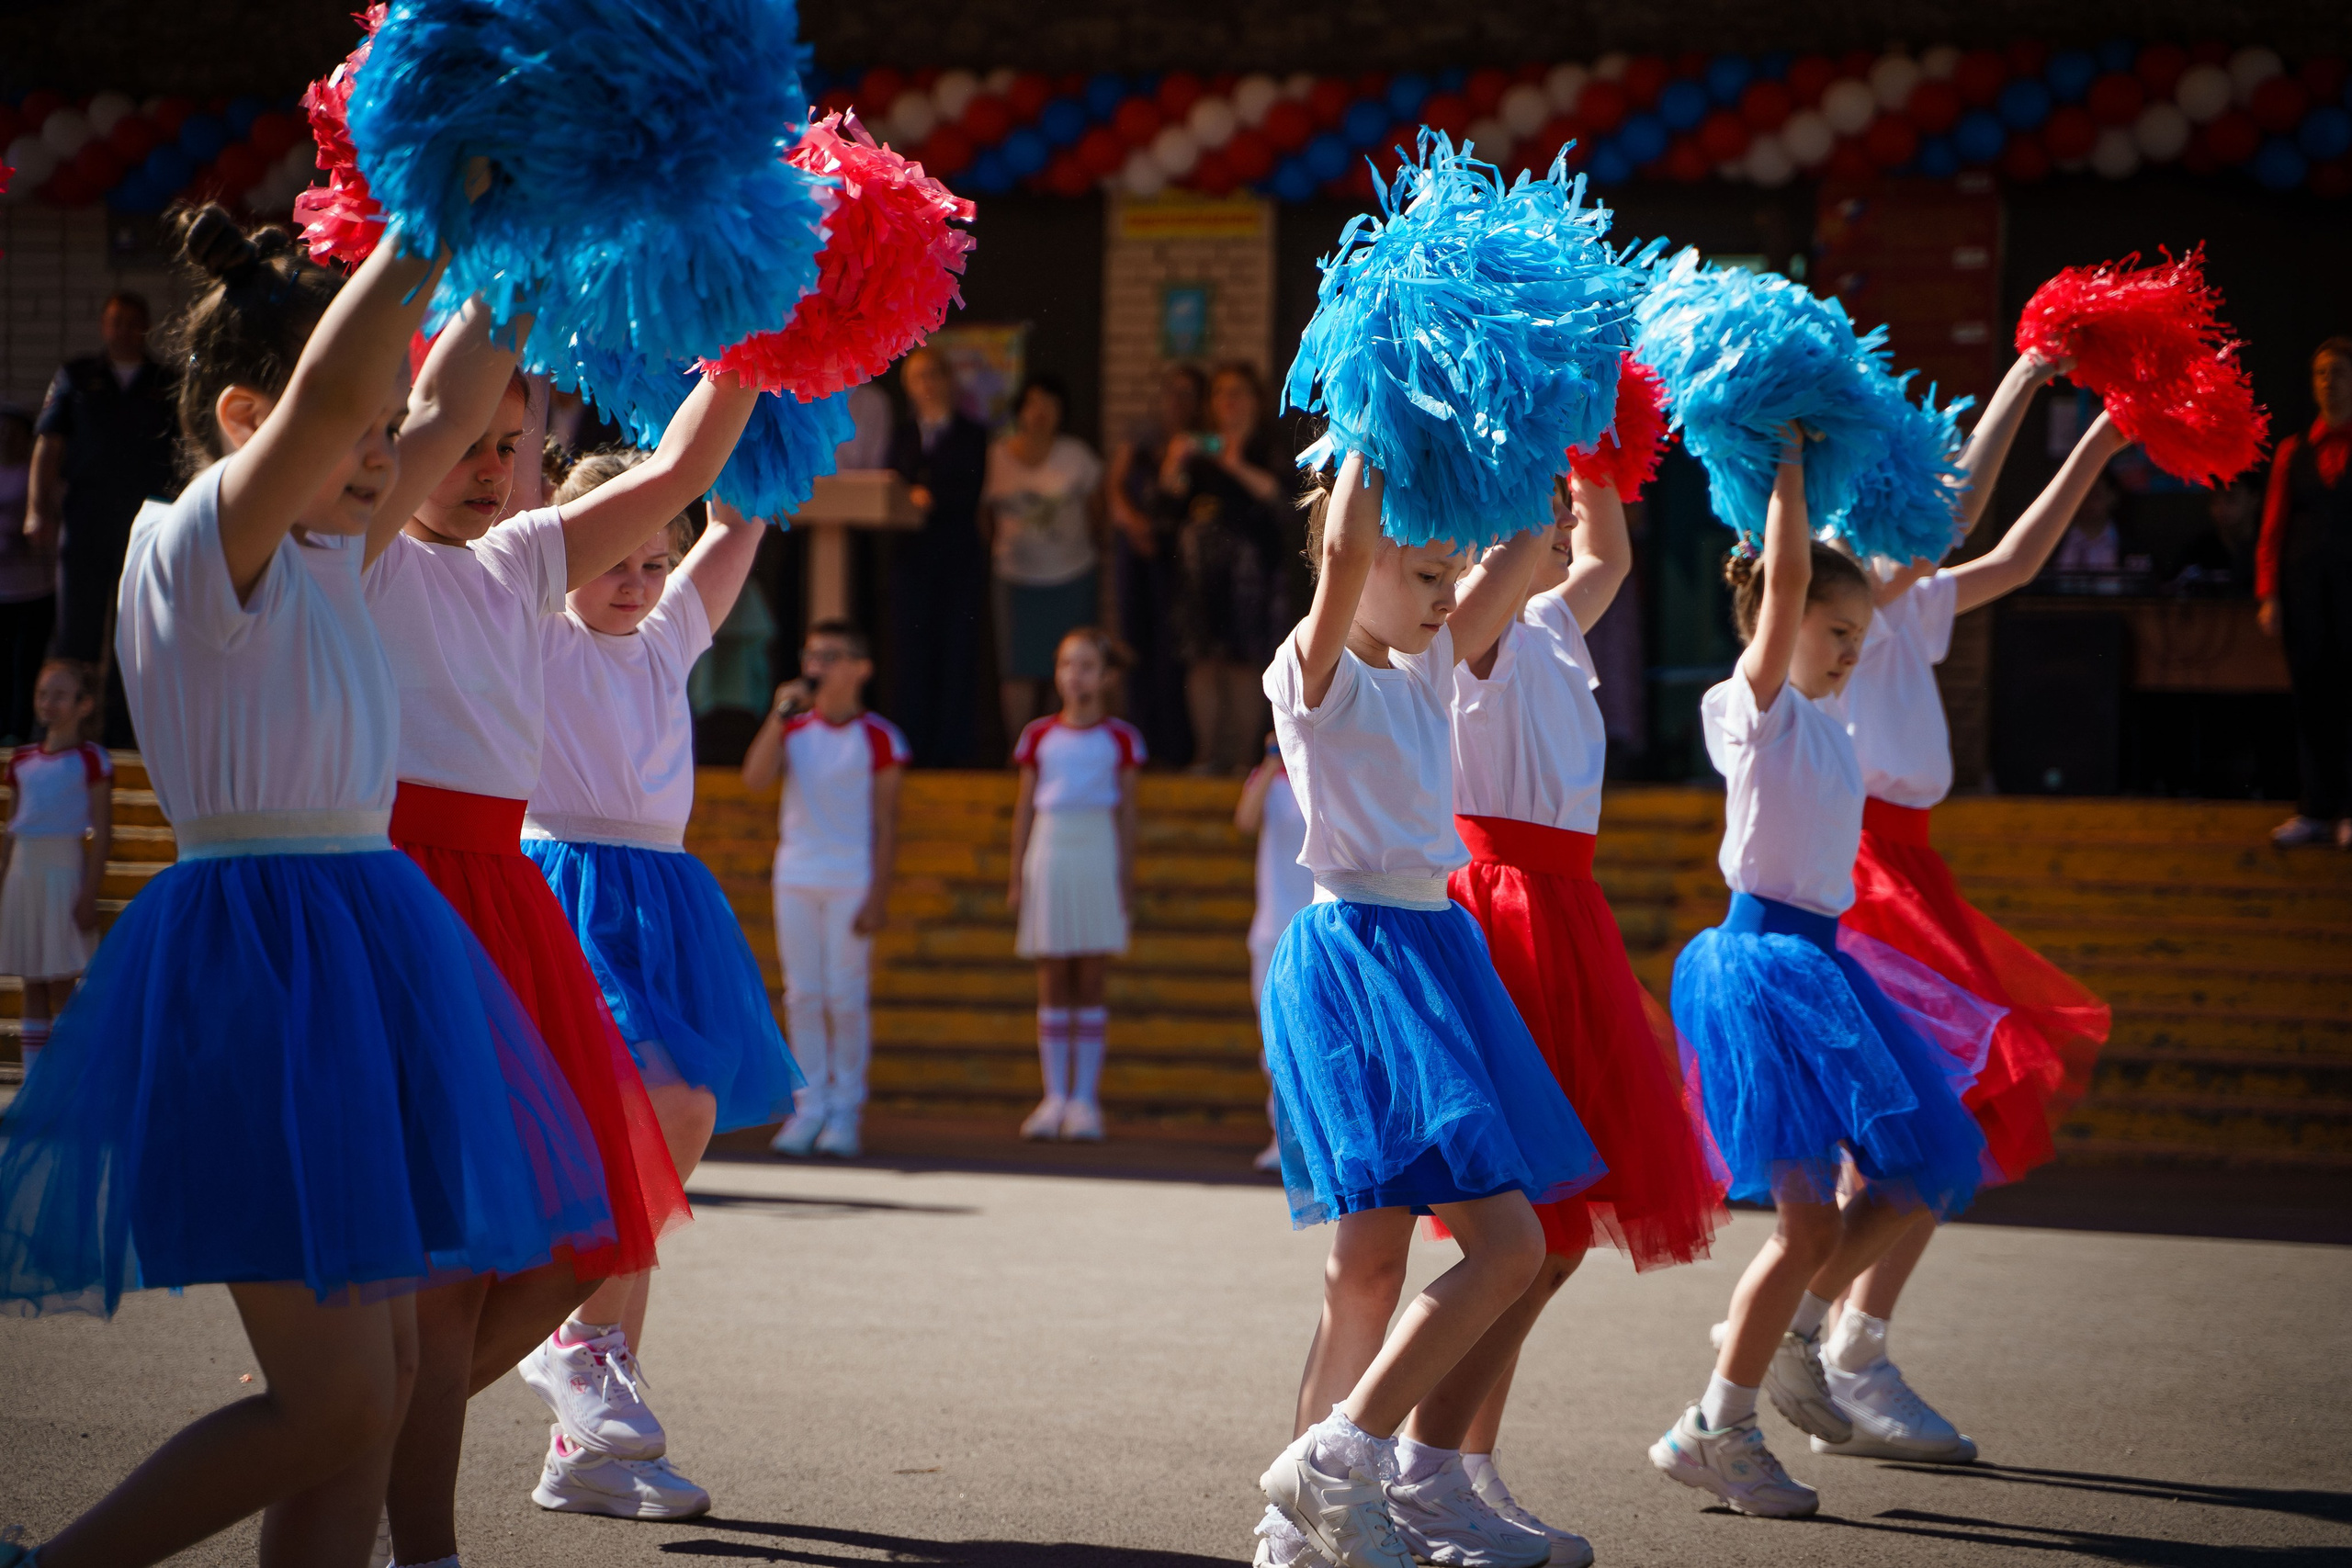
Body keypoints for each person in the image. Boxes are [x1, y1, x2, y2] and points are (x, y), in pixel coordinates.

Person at [0, 205, 612, 1568]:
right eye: (360, 424)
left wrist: (529, 241)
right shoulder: (194, 545)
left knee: (378, 1390)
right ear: (242, 417)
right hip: (255, 969)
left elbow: (446, 402)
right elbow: (354, 388)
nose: (394, 449)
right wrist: (433, 219)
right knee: (335, 1397)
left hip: (350, 951)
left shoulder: (339, 550)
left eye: (392, 428)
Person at [368, 336, 753, 1567]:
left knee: (620, 1171)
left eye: (509, 444)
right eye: (473, 443)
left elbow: (725, 500)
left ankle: (584, 1422)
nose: (642, 577)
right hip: (526, 884)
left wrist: (783, 352)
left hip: (634, 895)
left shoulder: (627, 606)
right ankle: (535, 1377)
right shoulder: (511, 590)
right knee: (643, 1123)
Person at [1252, 455, 1599, 1568]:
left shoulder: (1430, 661)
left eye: (1451, 571)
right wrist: (1371, 423)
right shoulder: (1314, 670)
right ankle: (1332, 1469)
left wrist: (1541, 442)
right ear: (1352, 572)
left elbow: (1518, 560)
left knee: (1388, 1262)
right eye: (1426, 573)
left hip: (1435, 953)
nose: (1449, 593)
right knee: (1452, 1254)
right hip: (1360, 961)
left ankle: (1315, 1498)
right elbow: (1349, 550)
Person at [1647, 436, 1994, 1521]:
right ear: (1777, 623)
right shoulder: (1752, 709)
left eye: (1855, 635)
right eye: (1832, 633)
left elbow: (1921, 556)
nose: (1850, 650)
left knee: (1916, 1169)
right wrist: (1789, 465)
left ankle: (1791, 1345)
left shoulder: (1837, 718)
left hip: (1822, 965)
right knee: (1801, 1229)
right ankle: (1717, 1423)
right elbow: (1792, 579)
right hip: (1761, 967)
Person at [1817, 358, 2132, 1464]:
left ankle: (1849, 1342)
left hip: (1917, 870)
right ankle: (1817, 1338)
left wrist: (2094, 440)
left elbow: (2009, 556)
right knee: (1932, 1115)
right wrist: (2026, 369)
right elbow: (1952, 516)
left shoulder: (1908, 593)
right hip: (1858, 874)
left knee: (1949, 1122)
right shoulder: (1844, 585)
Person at [1422, 472, 1726, 1560]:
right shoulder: (1473, 618)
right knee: (1529, 1231)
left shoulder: (1549, 620)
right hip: (1507, 921)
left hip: (1566, 918)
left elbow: (1611, 558)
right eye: (1538, 506)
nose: (1558, 520)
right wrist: (1532, 450)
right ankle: (1429, 1467)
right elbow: (1520, 561)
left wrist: (1599, 451)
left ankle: (1464, 1467)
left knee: (1557, 1242)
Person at [519, 472, 808, 1519]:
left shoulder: (672, 627)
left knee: (642, 1160)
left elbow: (741, 514)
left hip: (659, 899)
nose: (638, 581)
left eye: (654, 559)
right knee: (668, 1111)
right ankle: (571, 1341)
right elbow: (519, 510)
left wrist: (779, 379)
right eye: (615, 560)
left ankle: (587, 1446)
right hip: (564, 889)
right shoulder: (528, 621)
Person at [742, 617, 910, 1159]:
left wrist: (879, 897)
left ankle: (844, 1111)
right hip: (796, 876)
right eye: (812, 657)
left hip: (850, 880)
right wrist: (777, 714)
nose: (817, 668)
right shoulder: (793, 728)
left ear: (862, 669)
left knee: (846, 998)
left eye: (832, 657)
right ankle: (808, 1107)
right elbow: (755, 779)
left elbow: (886, 822)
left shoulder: (880, 737)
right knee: (803, 995)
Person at [1008, 627, 1143, 1142]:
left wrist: (1124, 878)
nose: (1074, 676)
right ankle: (1053, 1096)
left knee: (1089, 976)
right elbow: (1025, 808)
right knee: (1051, 975)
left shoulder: (1122, 739)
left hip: (1096, 850)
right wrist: (1018, 873)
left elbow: (1128, 813)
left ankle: (1085, 1098)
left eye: (1086, 666)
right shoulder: (1037, 735)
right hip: (1050, 850)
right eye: (1067, 665)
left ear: (1107, 678)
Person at [28, 293, 177, 749]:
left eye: (134, 323)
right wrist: (38, 510)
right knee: (77, 627)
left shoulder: (166, 380)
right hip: (87, 514)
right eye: (116, 322)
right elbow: (48, 447)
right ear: (103, 326)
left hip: (147, 517)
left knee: (137, 625)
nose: (124, 331)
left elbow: (186, 447)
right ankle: (62, 730)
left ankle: (123, 733)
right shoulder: (77, 377)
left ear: (147, 328)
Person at [1162, 361, 1285, 773]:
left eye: (1238, 392)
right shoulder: (1198, 451)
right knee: (1202, 660)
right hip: (1199, 571)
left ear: (1256, 401)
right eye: (1220, 393)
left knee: (1243, 661)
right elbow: (1168, 506)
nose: (1228, 402)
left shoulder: (1269, 447)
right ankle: (1206, 755)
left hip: (1249, 572)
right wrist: (1173, 466)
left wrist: (1236, 466)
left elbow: (1284, 501)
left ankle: (1239, 760)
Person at [2257, 337, 2352, 851]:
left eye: (2337, 372)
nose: (2327, 382)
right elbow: (2272, 531)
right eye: (2319, 373)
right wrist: (2269, 595)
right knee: (2313, 699)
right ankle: (2315, 810)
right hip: (2306, 595)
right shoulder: (2294, 452)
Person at [0, 659, 112, 1077]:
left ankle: (66, 1082)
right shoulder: (22, 760)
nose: (49, 703)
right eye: (43, 694)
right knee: (32, 977)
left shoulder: (92, 759)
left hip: (63, 875)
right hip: (23, 878)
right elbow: (11, 829)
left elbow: (102, 831)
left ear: (83, 705)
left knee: (62, 980)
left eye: (60, 695)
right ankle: (34, 1081)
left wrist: (90, 891)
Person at [983, 373, 1105, 742]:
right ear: (1020, 410)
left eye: (1050, 405)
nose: (1041, 413)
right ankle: (1020, 751)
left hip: (1071, 575)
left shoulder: (1076, 455)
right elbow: (984, 515)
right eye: (1033, 403)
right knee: (1017, 669)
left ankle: (1062, 742)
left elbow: (1097, 511)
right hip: (1015, 578)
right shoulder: (996, 455)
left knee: (1067, 668)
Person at [888, 347, 989, 767]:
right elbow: (892, 483)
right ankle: (913, 747)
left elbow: (974, 489)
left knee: (957, 652)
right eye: (917, 377)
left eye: (933, 374)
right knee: (913, 652)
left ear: (949, 380)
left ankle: (953, 753)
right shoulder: (903, 435)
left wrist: (934, 498)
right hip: (911, 561)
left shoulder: (973, 434)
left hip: (958, 557)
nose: (926, 384)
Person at [1110, 364, 1207, 764]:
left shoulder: (1200, 443)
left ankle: (1172, 748)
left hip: (1176, 558)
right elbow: (1114, 486)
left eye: (1187, 393)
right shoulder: (1140, 437)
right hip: (1134, 551)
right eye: (1172, 391)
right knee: (1136, 642)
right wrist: (1134, 524)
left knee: (1173, 650)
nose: (1177, 401)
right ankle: (1140, 741)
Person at [1235, 730, 1310, 1173]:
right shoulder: (1269, 780)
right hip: (1271, 929)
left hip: (1319, 929)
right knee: (1274, 1041)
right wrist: (1269, 762)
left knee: (1317, 1040)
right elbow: (1244, 821)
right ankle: (1282, 1136)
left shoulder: (1331, 769)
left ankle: (1315, 1140)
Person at [0, 405, 54, 743]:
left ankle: (18, 733)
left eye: (12, 431)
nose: (5, 438)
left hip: (34, 588)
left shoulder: (38, 477)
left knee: (26, 665)